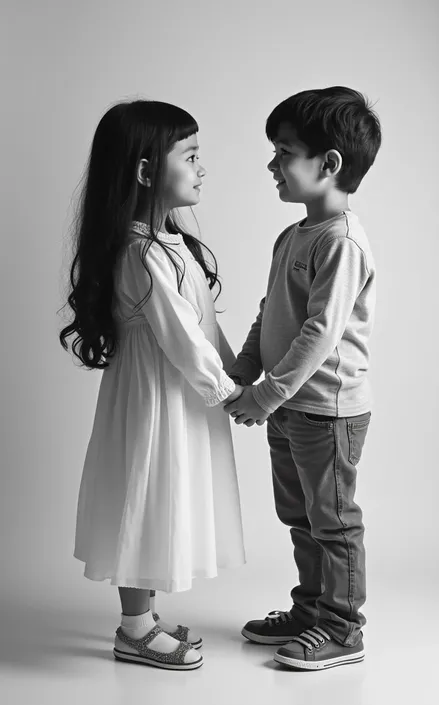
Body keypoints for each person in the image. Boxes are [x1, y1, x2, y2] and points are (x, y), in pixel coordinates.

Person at [59, 100, 246, 671]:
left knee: (163, 498)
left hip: (175, 396)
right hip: (154, 402)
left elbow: (204, 327)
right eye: (189, 156)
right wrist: (232, 391)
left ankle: (143, 618)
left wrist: (237, 371)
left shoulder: (168, 245)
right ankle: (134, 629)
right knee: (145, 496)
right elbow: (183, 340)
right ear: (145, 171)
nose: (201, 168)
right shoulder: (141, 253)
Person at [224, 86, 382, 671]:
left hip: (328, 410)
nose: (272, 164)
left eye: (283, 151)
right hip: (291, 407)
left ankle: (344, 629)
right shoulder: (292, 236)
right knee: (300, 516)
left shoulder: (342, 242)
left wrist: (264, 394)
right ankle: (313, 609)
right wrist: (244, 368)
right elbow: (270, 312)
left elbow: (319, 332)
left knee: (334, 521)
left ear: (329, 164)